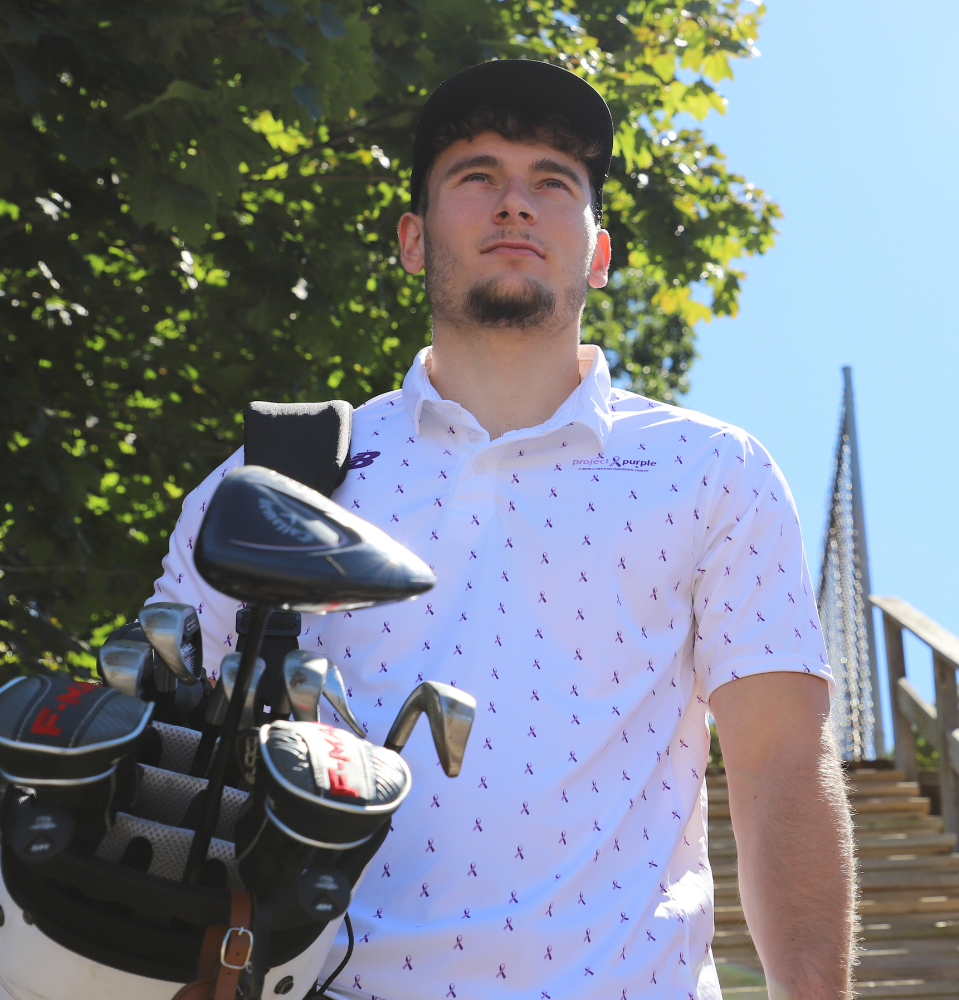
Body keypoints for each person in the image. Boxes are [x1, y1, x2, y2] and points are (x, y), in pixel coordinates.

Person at [149, 60, 855, 1000]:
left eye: (554, 182)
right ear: (412, 239)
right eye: (475, 176)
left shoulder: (713, 473)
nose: (514, 203)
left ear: (599, 253)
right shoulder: (272, 480)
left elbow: (778, 767)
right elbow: (166, 761)